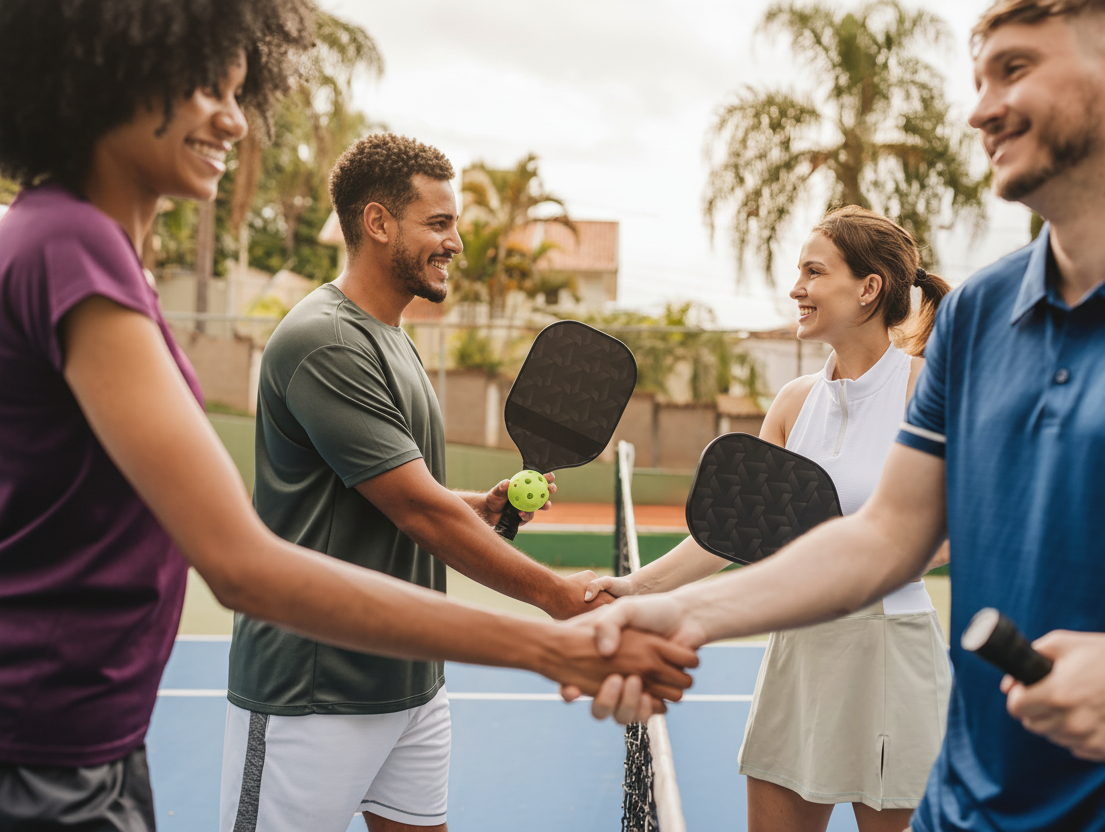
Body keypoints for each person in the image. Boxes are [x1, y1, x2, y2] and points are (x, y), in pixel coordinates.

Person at [0, 2, 694, 829]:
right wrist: (549, 639)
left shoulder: (94, 252)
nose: (233, 118)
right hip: (66, 736)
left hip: (92, 730)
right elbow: (241, 564)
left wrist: (479, 514)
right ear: (105, 75)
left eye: (235, 90)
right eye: (201, 89)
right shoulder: (68, 248)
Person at [577, 1, 1105, 830]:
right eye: (978, 79)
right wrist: (675, 609)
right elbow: (885, 537)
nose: (979, 109)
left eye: (1015, 69)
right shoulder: (978, 317)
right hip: (966, 808)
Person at [218, 132, 611, 832]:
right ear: (378, 223)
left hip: (409, 683)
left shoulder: (393, 338)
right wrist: (557, 597)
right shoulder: (327, 340)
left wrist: (478, 506)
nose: (456, 241)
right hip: (314, 689)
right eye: (439, 222)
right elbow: (418, 512)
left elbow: (401, 492)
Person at [583, 206, 952, 832]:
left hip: (889, 650)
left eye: (814, 271)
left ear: (869, 289)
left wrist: (860, 563)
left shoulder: (929, 391)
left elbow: (959, 530)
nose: (796, 288)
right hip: (797, 646)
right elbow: (733, 532)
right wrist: (635, 587)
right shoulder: (792, 402)